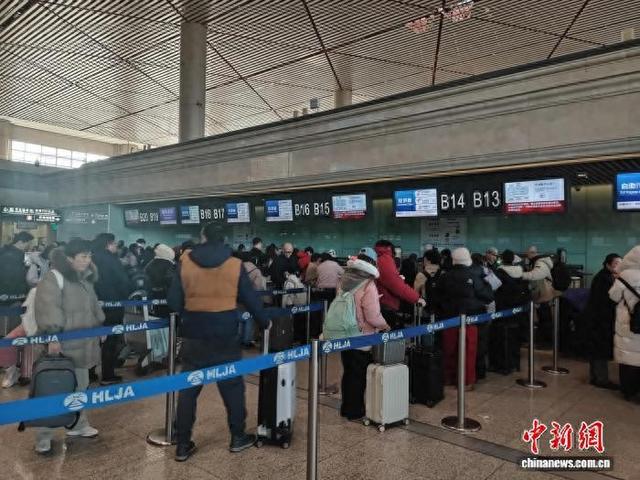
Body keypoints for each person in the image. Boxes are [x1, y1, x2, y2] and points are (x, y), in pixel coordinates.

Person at [168, 223, 271, 461]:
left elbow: (173, 301)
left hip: (193, 335)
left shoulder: (185, 262)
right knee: (232, 388)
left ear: (202, 237)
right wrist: (264, 322)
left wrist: (190, 312)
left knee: (188, 390)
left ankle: (182, 444)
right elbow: (251, 298)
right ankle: (237, 437)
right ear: (223, 239)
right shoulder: (234, 264)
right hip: (225, 335)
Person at [33, 240, 105, 454]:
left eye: (89, 256)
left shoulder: (86, 279)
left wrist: (99, 326)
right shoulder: (54, 277)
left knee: (81, 386)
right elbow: (48, 308)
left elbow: (93, 306)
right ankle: (44, 436)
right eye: (83, 256)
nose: (87, 260)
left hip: (84, 343)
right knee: (54, 389)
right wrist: (53, 336)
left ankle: (78, 424)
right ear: (69, 258)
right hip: (63, 344)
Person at [338, 250, 390, 420]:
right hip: (361, 336)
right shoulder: (368, 284)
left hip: (344, 333)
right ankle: (355, 411)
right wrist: (385, 325)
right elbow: (372, 316)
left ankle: (346, 407)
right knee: (358, 375)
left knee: (348, 372)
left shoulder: (344, 280)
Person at [437, 247, 493, 389]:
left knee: (449, 349)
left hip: (449, 319)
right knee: (469, 351)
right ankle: (466, 381)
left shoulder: (444, 276)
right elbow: (488, 296)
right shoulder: (475, 276)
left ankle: (448, 378)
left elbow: (437, 297)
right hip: (470, 319)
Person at [92, 233, 133, 385]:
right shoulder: (111, 260)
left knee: (93, 339)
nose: (116, 246)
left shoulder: (91, 258)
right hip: (113, 304)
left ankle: (90, 372)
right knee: (111, 340)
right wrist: (125, 296)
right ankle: (107, 375)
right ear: (107, 244)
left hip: (94, 304)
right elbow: (122, 281)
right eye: (114, 243)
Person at [584, 253, 621, 389]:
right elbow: (606, 300)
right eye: (616, 263)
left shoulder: (606, 276)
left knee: (597, 348)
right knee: (600, 348)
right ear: (608, 264)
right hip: (600, 319)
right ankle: (601, 379)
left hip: (598, 319)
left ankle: (596, 377)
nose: (619, 266)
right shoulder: (604, 279)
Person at [608, 246, 640, 401]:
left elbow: (613, 296)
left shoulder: (625, 275)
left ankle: (628, 390)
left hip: (628, 321)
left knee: (627, 358)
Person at [491, 249, 531, 374]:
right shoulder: (521, 272)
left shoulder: (498, 273)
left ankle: (503, 365)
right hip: (518, 312)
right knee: (514, 338)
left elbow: (492, 288)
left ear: (502, 259)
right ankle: (514, 362)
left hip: (502, 310)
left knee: (501, 338)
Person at [373, 240, 425, 329]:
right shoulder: (384, 259)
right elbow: (395, 285)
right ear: (389, 249)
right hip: (385, 303)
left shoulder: (376, 258)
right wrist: (416, 298)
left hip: (377, 302)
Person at [144, 244, 176, 318]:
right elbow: (171, 280)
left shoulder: (150, 264)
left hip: (152, 295)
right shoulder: (169, 265)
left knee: (156, 316)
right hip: (166, 295)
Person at [0, 231, 33, 300]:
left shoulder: (2, 251)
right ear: (20, 242)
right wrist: (27, 267)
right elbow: (18, 275)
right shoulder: (19, 255)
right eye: (28, 244)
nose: (29, 246)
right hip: (14, 293)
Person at [414, 249, 443, 317]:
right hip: (442, 310)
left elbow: (415, 293)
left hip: (427, 311)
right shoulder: (444, 273)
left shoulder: (421, 275)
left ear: (427, 260)